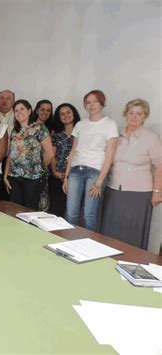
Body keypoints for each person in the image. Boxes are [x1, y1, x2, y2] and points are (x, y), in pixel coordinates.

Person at [100, 99, 161, 249]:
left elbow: (160, 166)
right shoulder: (115, 135)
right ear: (125, 114)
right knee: (110, 230)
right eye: (131, 113)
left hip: (139, 193)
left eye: (139, 113)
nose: (134, 117)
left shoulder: (151, 138)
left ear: (144, 117)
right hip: (114, 189)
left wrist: (157, 192)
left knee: (132, 233)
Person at [63, 90, 118, 231]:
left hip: (95, 173)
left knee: (89, 214)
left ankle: (88, 247)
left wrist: (99, 181)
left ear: (102, 104)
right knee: (71, 214)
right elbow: (73, 151)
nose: (91, 105)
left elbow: (110, 155)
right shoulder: (80, 125)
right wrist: (66, 177)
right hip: (76, 170)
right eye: (88, 102)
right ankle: (68, 245)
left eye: (95, 101)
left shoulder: (110, 125)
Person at [3, 99, 54, 210]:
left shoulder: (40, 129)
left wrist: (38, 169)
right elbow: (11, 155)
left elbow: (50, 154)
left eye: (22, 109)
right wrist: (5, 175)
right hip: (14, 177)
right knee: (15, 209)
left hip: (33, 179)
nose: (19, 112)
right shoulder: (15, 131)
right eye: (16, 110)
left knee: (29, 210)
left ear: (29, 111)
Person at [49, 103, 80, 217]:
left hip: (75, 175)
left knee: (72, 211)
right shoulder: (56, 134)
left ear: (74, 114)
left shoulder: (80, 132)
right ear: (59, 117)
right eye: (62, 114)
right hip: (57, 175)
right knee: (56, 209)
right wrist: (54, 172)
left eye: (68, 112)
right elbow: (52, 154)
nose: (65, 115)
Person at [35, 99, 54, 211]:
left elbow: (50, 153)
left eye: (48, 110)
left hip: (42, 171)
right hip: (27, 172)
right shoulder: (30, 126)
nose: (45, 113)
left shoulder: (50, 129)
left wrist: (41, 168)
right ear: (36, 110)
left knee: (41, 203)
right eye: (42, 109)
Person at [0, 89, 15, 201]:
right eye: (2, 98)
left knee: (8, 193)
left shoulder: (18, 116)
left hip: (11, 160)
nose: (4, 101)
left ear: (13, 101)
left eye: (8, 99)